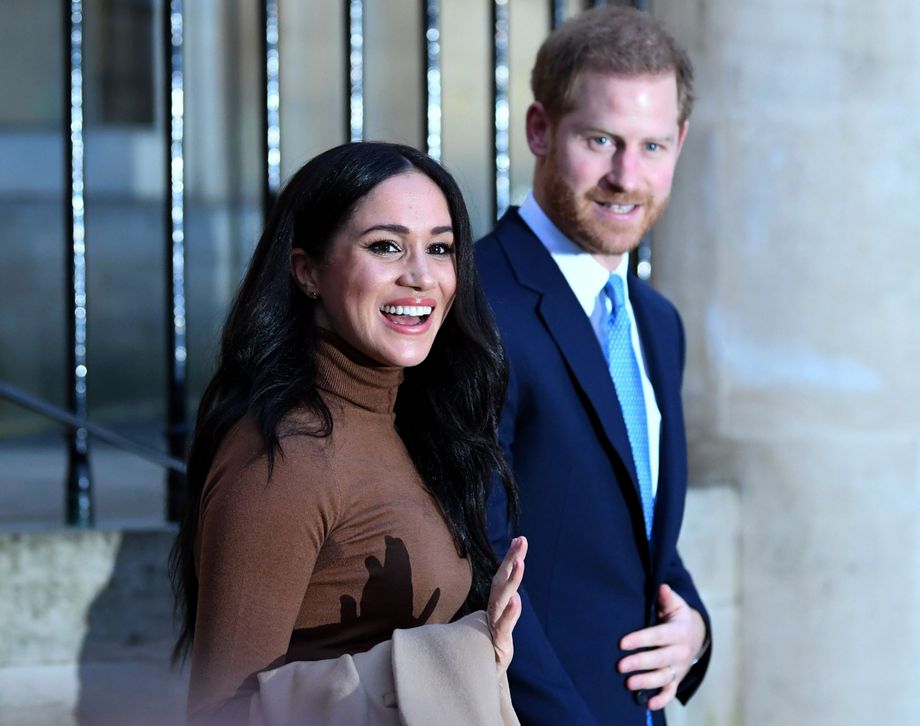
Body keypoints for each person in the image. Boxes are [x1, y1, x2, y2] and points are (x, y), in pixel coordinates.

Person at [169, 142, 526, 724]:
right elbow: (220, 713)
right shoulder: (284, 455)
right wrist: (433, 663)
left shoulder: (408, 419)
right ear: (307, 270)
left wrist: (474, 656)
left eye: (440, 248)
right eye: (385, 246)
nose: (420, 276)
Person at [475, 7, 710, 725]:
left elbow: (634, 531)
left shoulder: (656, 322)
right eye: (600, 140)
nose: (625, 176)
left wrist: (694, 627)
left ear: (681, 142)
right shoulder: (475, 301)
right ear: (540, 130)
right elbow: (472, 555)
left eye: (652, 145)